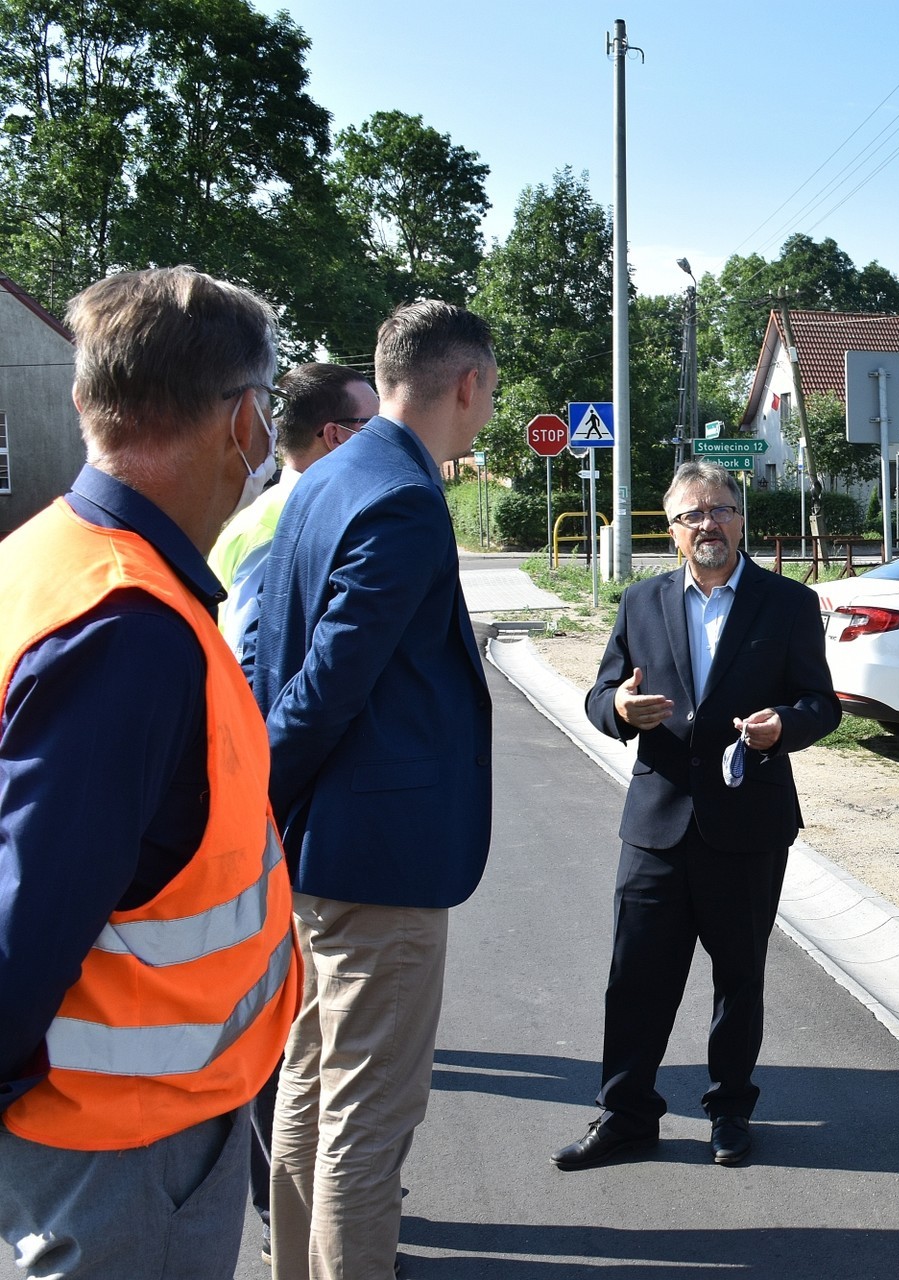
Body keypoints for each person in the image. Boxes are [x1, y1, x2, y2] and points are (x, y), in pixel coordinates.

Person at [0, 266, 299, 1277]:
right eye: (266, 410)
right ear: (243, 422)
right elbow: (28, 919)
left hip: (109, 1131)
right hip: (120, 1146)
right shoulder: (129, 628)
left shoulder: (47, 558)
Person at [248, 301, 496, 1279]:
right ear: (466, 384)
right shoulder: (401, 494)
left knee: (313, 1084)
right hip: (378, 862)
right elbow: (324, 685)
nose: (487, 409)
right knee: (368, 1117)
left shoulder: (326, 474)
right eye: (489, 391)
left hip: (324, 850)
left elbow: (280, 659)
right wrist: (263, 793)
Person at [553, 459, 840, 1172]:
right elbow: (599, 696)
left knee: (739, 979)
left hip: (748, 823)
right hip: (656, 822)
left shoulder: (788, 603)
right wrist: (620, 710)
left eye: (719, 510)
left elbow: (821, 703)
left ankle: (730, 1111)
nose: (707, 524)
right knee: (635, 977)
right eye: (691, 515)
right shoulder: (640, 601)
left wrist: (786, 726)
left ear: (740, 519)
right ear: (673, 529)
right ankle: (625, 1115)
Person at [209, 360, 377, 1262]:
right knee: (291, 1024)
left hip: (265, 793)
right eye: (372, 425)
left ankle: (302, 1212)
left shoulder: (256, 517)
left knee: (296, 1022)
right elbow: (261, 673)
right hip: (276, 803)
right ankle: (297, 1222)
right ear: (338, 437)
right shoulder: (299, 514)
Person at [211, 363, 379, 653]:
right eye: (373, 426)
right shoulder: (277, 528)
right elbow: (247, 659)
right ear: (335, 436)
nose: (384, 439)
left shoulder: (281, 511)